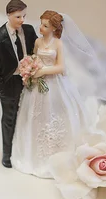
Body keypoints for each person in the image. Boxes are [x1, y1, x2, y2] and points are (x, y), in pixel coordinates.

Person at [11, 11, 89, 178]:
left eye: (45, 25)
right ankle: (34, 156)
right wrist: (30, 68)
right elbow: (34, 58)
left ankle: (59, 154)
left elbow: (61, 68)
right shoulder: (38, 42)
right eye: (41, 24)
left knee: (56, 112)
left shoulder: (58, 44)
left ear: (54, 28)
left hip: (54, 84)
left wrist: (43, 70)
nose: (41, 28)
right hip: (38, 86)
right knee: (36, 116)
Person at [0, 0, 38, 167]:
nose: (22, 20)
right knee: (10, 119)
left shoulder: (28, 30)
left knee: (29, 115)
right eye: (18, 16)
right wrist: (0, 86)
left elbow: (36, 51)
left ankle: (26, 151)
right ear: (8, 15)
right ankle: (7, 155)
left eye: (24, 16)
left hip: (30, 80)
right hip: (10, 83)